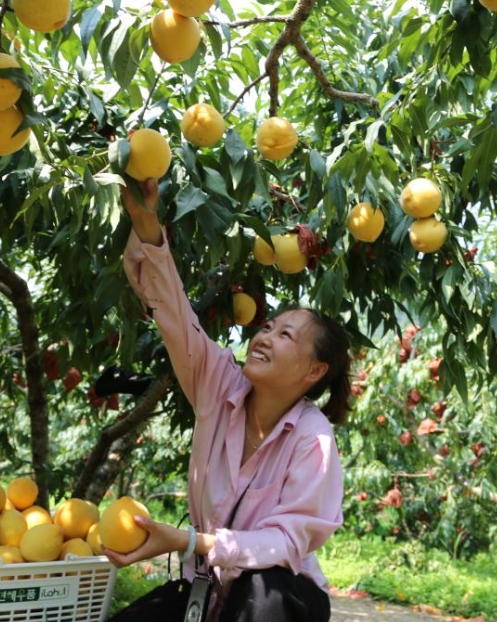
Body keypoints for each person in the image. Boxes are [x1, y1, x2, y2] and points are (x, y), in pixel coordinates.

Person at [104, 177, 351, 622]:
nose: (265, 336)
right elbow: (177, 316)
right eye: (269, 326)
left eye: (286, 335)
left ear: (315, 371)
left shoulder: (313, 441)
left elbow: (284, 543)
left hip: (279, 602)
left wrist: (187, 542)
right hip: (207, 592)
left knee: (265, 587)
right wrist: (146, 224)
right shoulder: (218, 384)